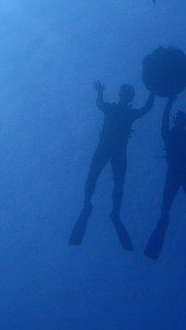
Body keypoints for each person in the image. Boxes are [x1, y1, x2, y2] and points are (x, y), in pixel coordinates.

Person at [68, 81, 155, 251]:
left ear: (126, 96)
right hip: (111, 149)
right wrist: (100, 91)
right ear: (125, 95)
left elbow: (145, 108)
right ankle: (94, 206)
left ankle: (107, 209)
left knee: (113, 181)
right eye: (125, 93)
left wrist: (152, 91)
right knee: (97, 178)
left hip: (112, 150)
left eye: (126, 94)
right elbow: (145, 108)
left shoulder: (120, 111)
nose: (125, 96)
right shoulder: (124, 112)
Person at [144, 97, 186, 279]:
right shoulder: (178, 136)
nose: (180, 122)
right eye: (180, 120)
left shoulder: (178, 136)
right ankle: (174, 231)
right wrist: (169, 103)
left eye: (181, 120)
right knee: (182, 209)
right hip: (179, 174)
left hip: (177, 174)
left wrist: (169, 102)